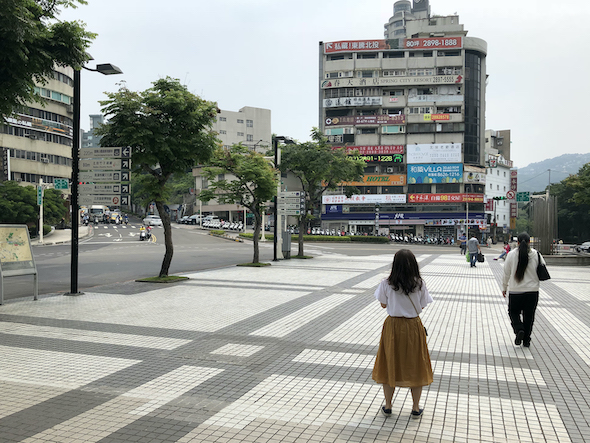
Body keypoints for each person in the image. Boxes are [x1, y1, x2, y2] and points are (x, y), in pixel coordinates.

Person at [372, 249, 433, 419]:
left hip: (392, 326)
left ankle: (388, 405)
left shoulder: (386, 283)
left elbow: (383, 305)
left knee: (389, 361)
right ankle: (415, 407)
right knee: (416, 364)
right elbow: (422, 306)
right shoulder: (419, 283)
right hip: (413, 326)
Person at [502, 232, 545, 348]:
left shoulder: (511, 254)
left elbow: (506, 273)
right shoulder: (536, 254)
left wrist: (504, 287)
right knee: (529, 316)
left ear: (518, 242)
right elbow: (543, 267)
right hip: (532, 291)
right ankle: (526, 340)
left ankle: (519, 329)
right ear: (529, 242)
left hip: (516, 291)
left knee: (513, 312)